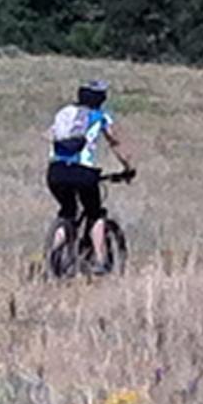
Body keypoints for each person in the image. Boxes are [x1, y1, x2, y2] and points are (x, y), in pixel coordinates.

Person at [47, 80, 135, 272]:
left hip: (55, 171)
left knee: (68, 212)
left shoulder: (63, 113)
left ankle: (53, 256)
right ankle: (101, 261)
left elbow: (49, 135)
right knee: (95, 213)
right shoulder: (101, 116)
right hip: (83, 172)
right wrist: (128, 168)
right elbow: (115, 143)